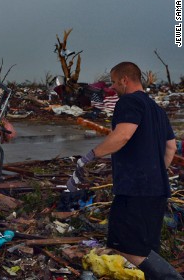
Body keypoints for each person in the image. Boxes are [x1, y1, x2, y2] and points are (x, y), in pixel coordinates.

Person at [66, 62, 181, 279]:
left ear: (124, 80)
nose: (113, 87)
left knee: (124, 243)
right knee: (146, 247)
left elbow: (123, 135)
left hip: (135, 189)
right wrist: (155, 175)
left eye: (113, 81)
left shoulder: (128, 101)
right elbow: (171, 147)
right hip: (157, 190)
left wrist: (90, 156)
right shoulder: (156, 109)